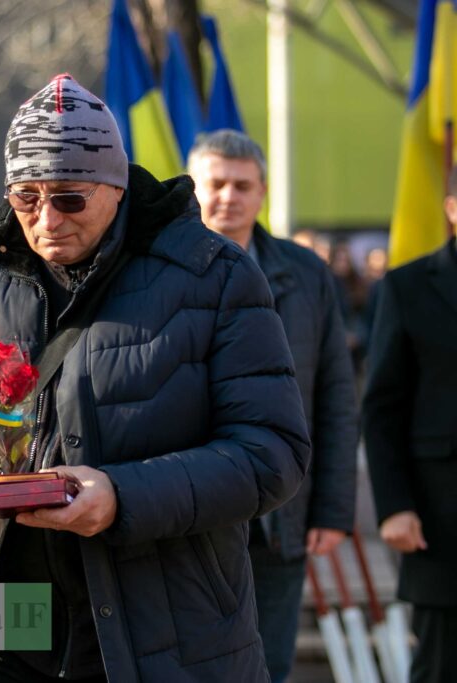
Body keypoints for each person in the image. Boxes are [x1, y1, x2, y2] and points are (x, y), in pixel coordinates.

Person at [0, 74, 310, 682]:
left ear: (116, 186)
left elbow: (271, 452)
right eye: (25, 197)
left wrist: (120, 497)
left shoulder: (214, 275)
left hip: (160, 624)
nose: (46, 220)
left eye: (69, 198)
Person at [188, 130, 358, 683]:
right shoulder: (156, 271)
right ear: (192, 188)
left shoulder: (305, 275)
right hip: (187, 507)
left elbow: (334, 391)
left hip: (283, 512)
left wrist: (332, 509)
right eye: (215, 184)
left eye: (242, 185)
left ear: (262, 193)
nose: (228, 197)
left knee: (270, 665)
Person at [363, 167, 457, 683]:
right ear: (451, 208)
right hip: (441, 524)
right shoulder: (409, 287)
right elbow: (382, 408)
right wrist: (395, 507)